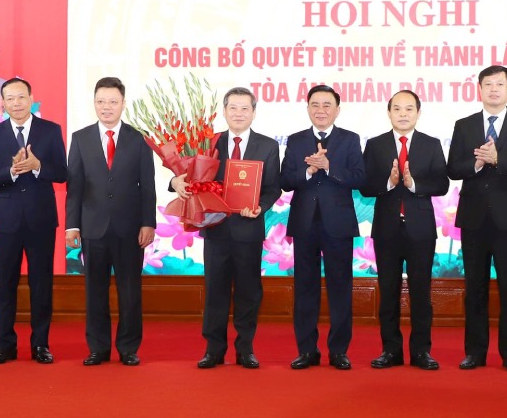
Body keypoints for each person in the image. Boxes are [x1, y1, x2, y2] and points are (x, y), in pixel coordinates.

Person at [171, 87, 281, 369]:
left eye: (245, 108)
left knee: (248, 292)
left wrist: (260, 207)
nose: (239, 113)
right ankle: (213, 349)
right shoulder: (209, 142)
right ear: (225, 110)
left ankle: (245, 349)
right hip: (216, 230)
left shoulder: (268, 145)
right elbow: (189, 177)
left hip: (248, 230)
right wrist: (176, 183)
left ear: (254, 112)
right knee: (215, 291)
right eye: (233, 108)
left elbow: (272, 188)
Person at [446, 65, 507, 372]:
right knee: (475, 287)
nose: (494, 89)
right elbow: (452, 168)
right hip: (474, 218)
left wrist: (499, 160)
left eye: (500, 84)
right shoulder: (464, 124)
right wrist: (476, 164)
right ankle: (475, 351)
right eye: (488, 85)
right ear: (480, 89)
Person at [65, 77, 155, 366]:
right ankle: (98, 348)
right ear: (94, 103)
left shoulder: (139, 138)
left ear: (123, 104)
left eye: (113, 102)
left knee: (130, 292)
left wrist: (148, 223)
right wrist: (72, 225)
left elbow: (148, 185)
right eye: (101, 101)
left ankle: (128, 348)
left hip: (130, 229)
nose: (107, 107)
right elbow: (74, 186)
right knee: (95, 292)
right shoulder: (80, 138)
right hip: (93, 227)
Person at [0, 77, 67, 365]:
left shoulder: (50, 131)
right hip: (6, 222)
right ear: (2, 102)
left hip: (41, 219)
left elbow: (62, 173)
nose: (16, 103)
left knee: (41, 283)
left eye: (21, 97)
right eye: (10, 98)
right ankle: (4, 345)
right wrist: (14, 170)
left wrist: (38, 166)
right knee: (6, 284)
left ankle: (40, 344)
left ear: (31, 98)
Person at [361, 90, 449, 370]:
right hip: (386, 229)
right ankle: (391, 350)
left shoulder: (431, 144)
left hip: (420, 229)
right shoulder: (375, 145)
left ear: (418, 113)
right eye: (397, 108)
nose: (402, 113)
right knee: (388, 292)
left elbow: (442, 184)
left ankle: (422, 351)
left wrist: (412, 183)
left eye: (408, 109)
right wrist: (388, 182)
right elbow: (364, 186)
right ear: (389, 113)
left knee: (421, 292)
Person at [280, 84, 365, 370]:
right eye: (315, 104)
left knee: (340, 287)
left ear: (337, 110)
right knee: (305, 288)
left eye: (327, 105)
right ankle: (307, 350)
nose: (321, 110)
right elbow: (286, 180)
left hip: (338, 224)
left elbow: (359, 178)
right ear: (307, 108)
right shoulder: (295, 140)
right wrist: (309, 170)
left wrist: (328, 167)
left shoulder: (350, 140)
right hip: (305, 223)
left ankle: (339, 351)